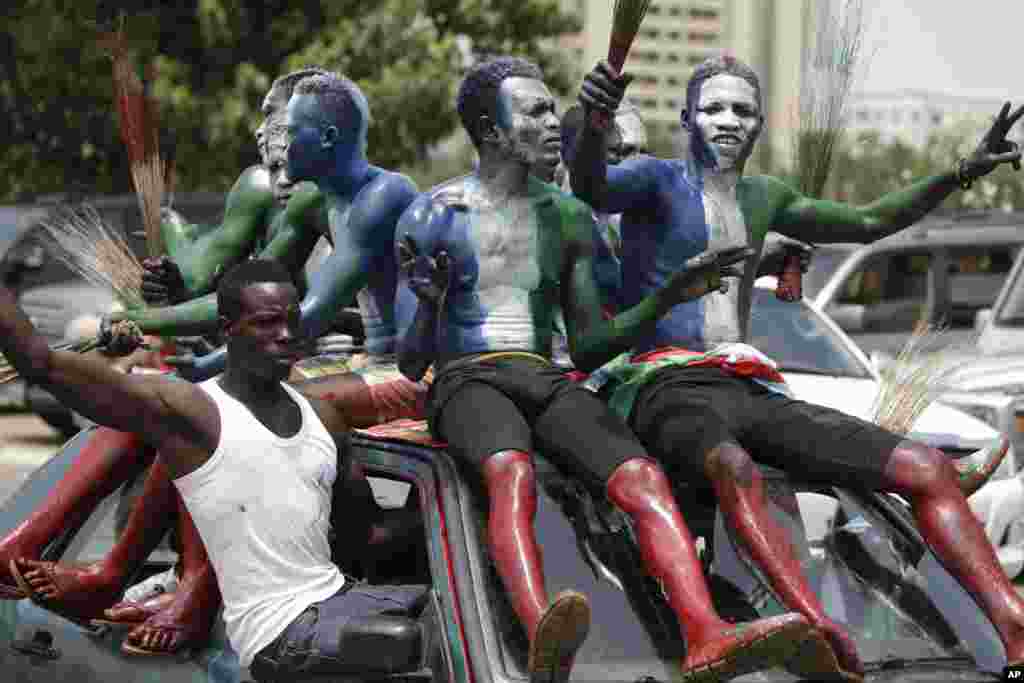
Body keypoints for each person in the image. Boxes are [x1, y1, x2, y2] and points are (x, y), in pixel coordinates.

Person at [570, 54, 1024, 681]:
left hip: (748, 385)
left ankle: (1014, 627)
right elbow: (591, 186)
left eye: (742, 111)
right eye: (713, 108)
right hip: (663, 383)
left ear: (758, 126)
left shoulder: (765, 196)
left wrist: (961, 171)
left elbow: (871, 221)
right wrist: (593, 121)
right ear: (685, 119)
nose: (728, 121)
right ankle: (816, 627)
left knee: (925, 467)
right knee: (732, 465)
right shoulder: (653, 182)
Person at [395, 56, 826, 683]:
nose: (552, 121)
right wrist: (431, 304)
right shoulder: (432, 215)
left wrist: (668, 296)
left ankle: (705, 635)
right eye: (537, 111)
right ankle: (542, 626)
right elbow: (412, 363)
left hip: (543, 375)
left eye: (551, 107)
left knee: (643, 478)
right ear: (491, 131)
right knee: (511, 470)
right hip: (466, 377)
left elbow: (594, 345)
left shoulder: (566, 217)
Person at [0, 68, 425, 655]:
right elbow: (243, 290)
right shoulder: (312, 198)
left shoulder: (382, 195)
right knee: (176, 401)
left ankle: (189, 583)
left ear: (324, 137)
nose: (266, 136)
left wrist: (155, 332)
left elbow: (308, 312)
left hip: (408, 370)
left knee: (211, 409)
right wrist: (168, 304)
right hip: (356, 357)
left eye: (282, 125)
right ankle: (44, 545)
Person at [1, 258, 429, 680]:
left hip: (335, 600)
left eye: (293, 321)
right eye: (266, 323)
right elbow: (43, 363)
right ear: (227, 328)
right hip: (279, 634)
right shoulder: (194, 415)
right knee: (406, 639)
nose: (286, 335)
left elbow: (368, 535)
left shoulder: (324, 420)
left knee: (437, 615)